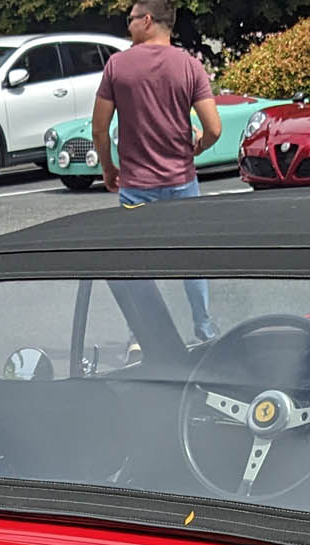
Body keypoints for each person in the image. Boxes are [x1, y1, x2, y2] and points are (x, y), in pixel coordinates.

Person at [93, 0, 221, 340]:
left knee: (137, 263)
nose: (128, 24)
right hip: (181, 183)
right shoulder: (189, 65)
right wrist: (198, 147)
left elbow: (99, 129)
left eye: (131, 19)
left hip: (135, 187)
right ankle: (204, 328)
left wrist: (109, 169)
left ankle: (141, 339)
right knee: (191, 261)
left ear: (147, 20)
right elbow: (214, 128)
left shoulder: (117, 66)